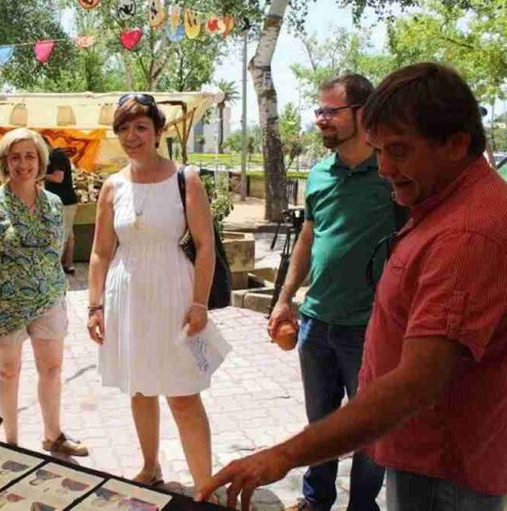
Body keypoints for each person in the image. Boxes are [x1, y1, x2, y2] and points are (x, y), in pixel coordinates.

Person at [198, 63, 507, 511]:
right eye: (380, 151)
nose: (385, 169)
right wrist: (286, 298)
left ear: (456, 143)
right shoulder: (440, 202)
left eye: (399, 151)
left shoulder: (467, 235)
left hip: (444, 470)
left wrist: (283, 455)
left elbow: (414, 386)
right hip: (422, 454)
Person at [87, 94, 228, 493]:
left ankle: (205, 486)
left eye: (140, 127)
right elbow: (100, 252)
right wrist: (94, 306)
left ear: (158, 132)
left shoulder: (187, 178)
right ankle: (149, 467)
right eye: (124, 129)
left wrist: (199, 302)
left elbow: (205, 246)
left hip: (174, 294)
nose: (132, 136)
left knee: (183, 394)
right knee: (140, 385)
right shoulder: (113, 186)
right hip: (126, 296)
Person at [267, 74, 393, 511]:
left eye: (330, 111)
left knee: (368, 429)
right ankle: (316, 500)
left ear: (363, 113)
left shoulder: (391, 171)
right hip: (317, 322)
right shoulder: (319, 173)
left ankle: (362, 506)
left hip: (370, 327)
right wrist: (285, 298)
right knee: (320, 423)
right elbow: (308, 236)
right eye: (318, 111)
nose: (320, 119)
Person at [0, 127, 87, 457]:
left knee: (52, 369)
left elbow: (55, 250)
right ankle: (12, 441)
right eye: (15, 157)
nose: (23, 164)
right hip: (5, 306)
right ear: (4, 162)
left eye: (30, 156)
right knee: (8, 372)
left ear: (41, 161)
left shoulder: (53, 204)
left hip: (48, 299)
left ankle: (53, 435)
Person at [42, 140, 79, 275]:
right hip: (66, 200)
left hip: (64, 201)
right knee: (68, 233)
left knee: (61, 233)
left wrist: (39, 176)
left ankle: (55, 267)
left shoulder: (57, 156)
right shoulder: (56, 155)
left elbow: (58, 178)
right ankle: (68, 264)